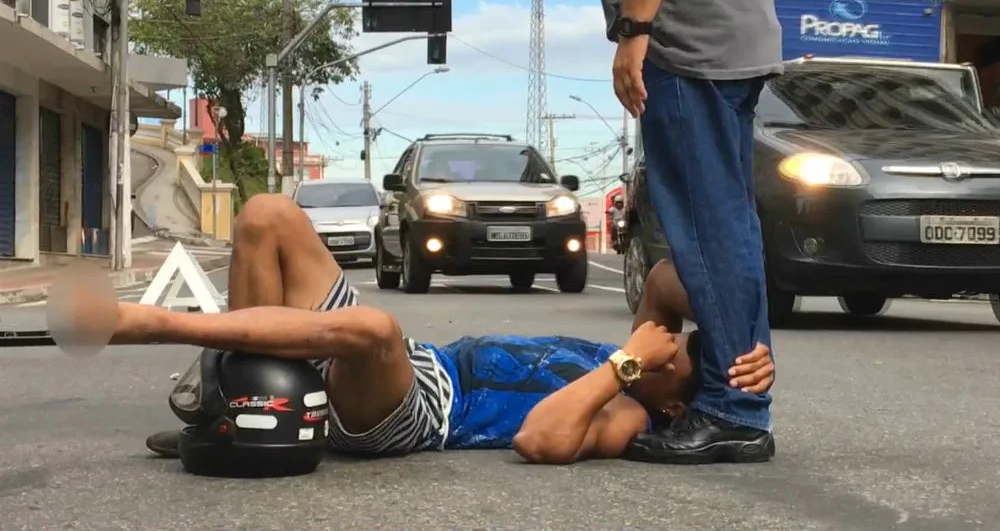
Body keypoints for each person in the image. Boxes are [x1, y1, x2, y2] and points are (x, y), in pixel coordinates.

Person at [57, 195, 773, 464]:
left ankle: (149, 325)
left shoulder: (623, 412)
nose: (672, 342)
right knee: (266, 216)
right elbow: (664, 283)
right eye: (681, 338)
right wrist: (739, 329)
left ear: (674, 403)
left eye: (683, 358)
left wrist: (623, 365)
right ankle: (227, 405)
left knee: (372, 326)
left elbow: (539, 440)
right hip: (426, 361)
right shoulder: (654, 345)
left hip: (418, 414)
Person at [597, 0, 783, 463]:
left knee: (709, 225)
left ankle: (734, 411)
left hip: (690, 42)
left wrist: (635, 29)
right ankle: (738, 388)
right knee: (725, 220)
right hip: (721, 34)